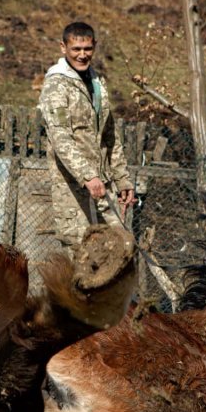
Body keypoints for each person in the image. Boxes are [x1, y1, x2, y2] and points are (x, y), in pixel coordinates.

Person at [38, 21, 136, 255]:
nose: (82, 55)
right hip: (74, 190)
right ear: (63, 48)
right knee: (81, 257)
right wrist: (87, 175)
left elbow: (110, 136)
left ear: (94, 47)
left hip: (104, 187)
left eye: (87, 49)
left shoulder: (97, 82)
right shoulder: (56, 85)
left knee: (117, 249)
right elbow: (61, 137)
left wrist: (122, 179)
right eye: (76, 49)